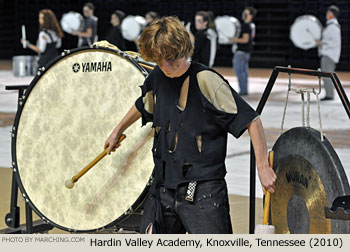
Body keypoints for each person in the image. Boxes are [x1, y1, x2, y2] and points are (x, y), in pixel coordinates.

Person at [104, 16, 276, 234]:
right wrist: (116, 131)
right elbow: (142, 104)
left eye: (170, 59)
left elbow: (251, 120)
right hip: (163, 186)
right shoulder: (157, 77)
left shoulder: (206, 79)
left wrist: (262, 167)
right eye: (159, 60)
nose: (165, 66)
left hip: (203, 190)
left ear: (182, 49)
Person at [229, 7, 257, 96]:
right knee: (244, 71)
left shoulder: (245, 25)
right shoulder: (252, 25)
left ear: (251, 16)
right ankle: (244, 89)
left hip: (241, 51)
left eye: (246, 13)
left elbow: (245, 40)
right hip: (247, 51)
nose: (244, 15)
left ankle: (243, 90)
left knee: (239, 71)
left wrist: (234, 39)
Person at [316, 5, 341, 101]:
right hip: (328, 54)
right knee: (327, 75)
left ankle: (330, 95)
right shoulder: (331, 25)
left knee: (327, 75)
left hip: (329, 55)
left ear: (331, 14)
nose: (326, 14)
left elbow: (333, 42)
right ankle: (329, 94)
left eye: (328, 13)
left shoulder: (333, 27)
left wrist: (321, 42)